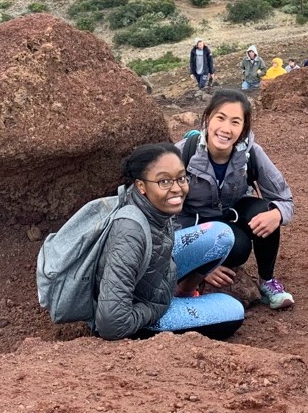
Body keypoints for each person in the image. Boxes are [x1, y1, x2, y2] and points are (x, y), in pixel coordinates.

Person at [93, 143, 245, 340]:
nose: (177, 188)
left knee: (221, 234)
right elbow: (111, 324)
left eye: (181, 178)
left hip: (151, 281)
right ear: (141, 186)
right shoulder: (129, 232)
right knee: (232, 310)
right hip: (133, 315)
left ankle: (182, 293)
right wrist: (154, 309)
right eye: (164, 181)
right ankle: (164, 312)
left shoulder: (153, 209)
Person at [175, 91, 295, 310]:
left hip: (231, 217)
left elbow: (283, 197)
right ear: (208, 118)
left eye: (235, 122)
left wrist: (276, 213)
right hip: (193, 225)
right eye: (220, 118)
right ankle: (195, 274)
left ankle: (267, 281)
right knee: (236, 248)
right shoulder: (183, 153)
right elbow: (162, 213)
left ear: (243, 128)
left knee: (262, 213)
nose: (226, 129)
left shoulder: (251, 154)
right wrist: (200, 265)